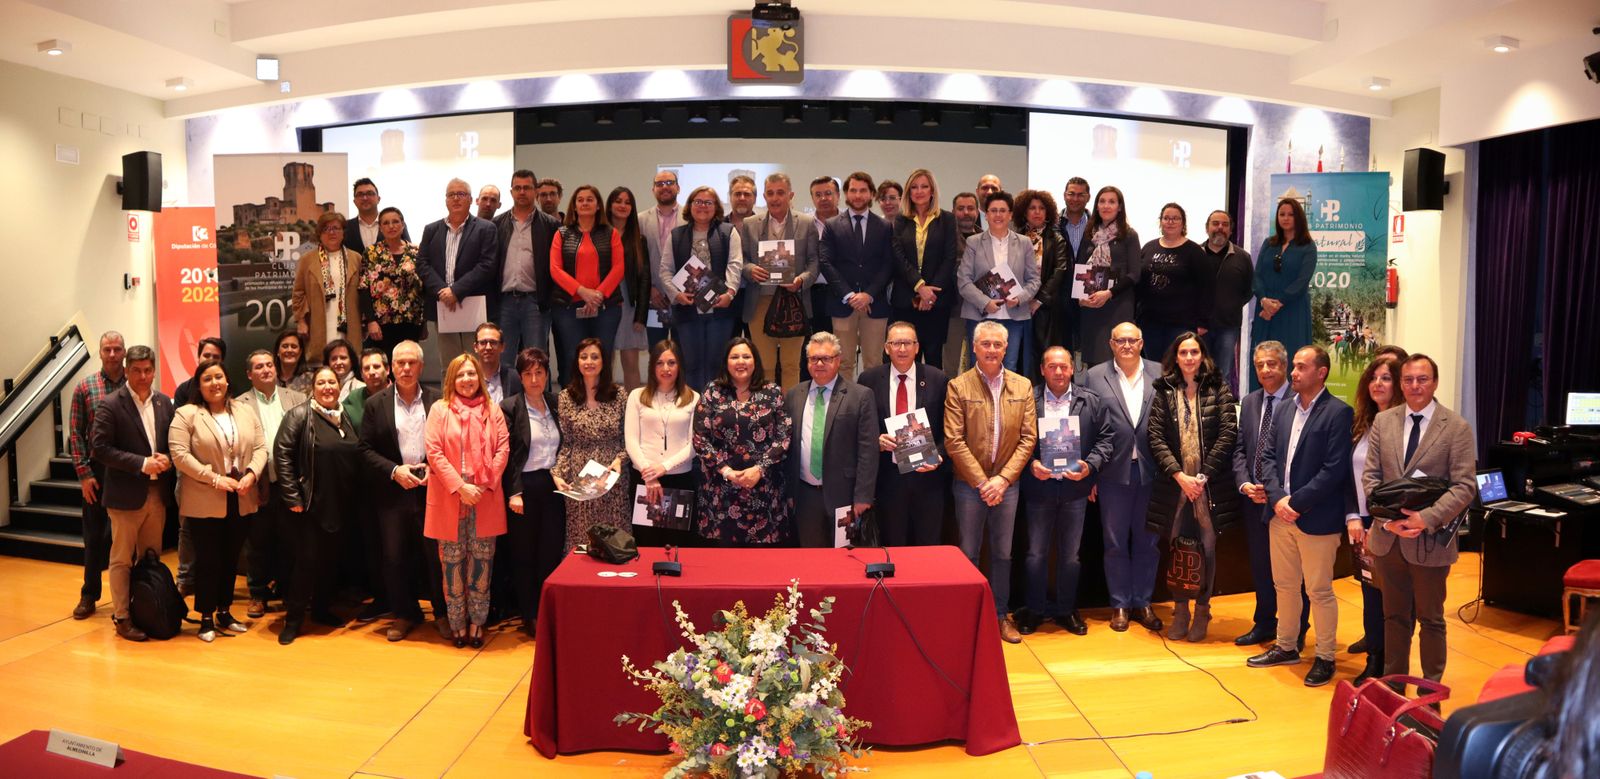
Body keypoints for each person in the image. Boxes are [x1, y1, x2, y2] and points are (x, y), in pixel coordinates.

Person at [1363, 354, 1477, 684]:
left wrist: (1425, 519)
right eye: (1409, 380)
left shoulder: (1455, 427)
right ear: (1402, 384)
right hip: (1388, 539)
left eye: (1422, 379)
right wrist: (1389, 521)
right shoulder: (1384, 423)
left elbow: (1465, 485)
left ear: (1435, 382)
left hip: (1430, 541)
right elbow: (1371, 478)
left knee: (1431, 620)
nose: (1415, 386)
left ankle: (1430, 695)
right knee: (1394, 618)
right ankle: (1393, 688)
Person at [1247, 346, 1354, 688]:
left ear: (1321, 373)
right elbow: (1267, 458)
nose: (1293, 373)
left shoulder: (1338, 413)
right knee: (1285, 586)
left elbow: (1334, 469)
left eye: (1300, 367)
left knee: (1319, 590)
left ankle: (1324, 656)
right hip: (1280, 516)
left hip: (1316, 519)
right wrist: (1278, 499)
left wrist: (1297, 502)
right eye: (1292, 366)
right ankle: (1286, 646)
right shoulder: (1283, 411)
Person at [1143, 333, 1241, 642]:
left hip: (1208, 486)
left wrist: (1203, 476)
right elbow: (1155, 436)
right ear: (1176, 357)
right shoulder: (1164, 389)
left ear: (1202, 356)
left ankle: (1202, 611)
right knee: (1178, 549)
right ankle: (1180, 611)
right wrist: (1179, 476)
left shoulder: (1218, 387)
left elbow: (1228, 432)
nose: (1188, 357)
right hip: (1176, 485)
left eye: (1194, 352)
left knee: (1207, 548)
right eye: (1183, 352)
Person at [945, 320, 1036, 644]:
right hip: (970, 486)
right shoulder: (959, 386)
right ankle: (967, 616)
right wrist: (984, 483)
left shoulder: (1023, 386)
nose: (992, 350)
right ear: (974, 346)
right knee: (968, 554)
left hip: (1007, 487)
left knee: (1002, 555)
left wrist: (1002, 480)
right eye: (986, 344)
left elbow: (1028, 438)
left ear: (1006, 348)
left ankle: (1000, 616)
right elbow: (953, 440)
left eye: (998, 345)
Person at [168, 358, 268, 642]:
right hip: (205, 497)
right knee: (208, 559)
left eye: (219, 377)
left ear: (228, 381)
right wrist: (214, 478)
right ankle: (206, 617)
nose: (215, 383)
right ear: (199, 386)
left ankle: (225, 611)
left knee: (230, 558)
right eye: (208, 379)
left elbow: (261, 448)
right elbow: (179, 455)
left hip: (242, 495)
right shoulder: (187, 414)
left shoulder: (245, 411)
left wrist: (251, 473)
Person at [1018, 345, 1114, 636]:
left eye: (1063, 366)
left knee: (1071, 555)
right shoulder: (1027, 400)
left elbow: (1106, 440)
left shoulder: (1091, 401)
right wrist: (1031, 463)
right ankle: (1034, 609)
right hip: (1039, 488)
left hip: (1075, 490)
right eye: (1052, 366)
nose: (1058, 372)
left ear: (1073, 369)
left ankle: (1065, 610)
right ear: (1042, 370)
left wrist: (1090, 466)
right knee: (1035, 553)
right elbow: (1015, 440)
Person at [358, 341, 448, 642]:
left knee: (435, 556)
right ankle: (405, 613)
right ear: (391, 368)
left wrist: (432, 469)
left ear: (421, 367)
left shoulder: (438, 401)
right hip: (393, 492)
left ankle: (442, 613)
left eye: (412, 363)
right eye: (400, 363)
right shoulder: (375, 404)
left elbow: (449, 443)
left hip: (431, 491)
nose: (406, 368)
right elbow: (365, 449)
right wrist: (395, 471)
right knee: (394, 557)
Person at [1081, 322, 1164, 632]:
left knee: (1148, 542)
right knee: (1114, 542)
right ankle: (1119, 604)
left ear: (1141, 343)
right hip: (1111, 473)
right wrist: (1089, 473)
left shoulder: (1160, 372)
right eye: (1120, 340)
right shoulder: (1093, 376)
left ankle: (1142, 602)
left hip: (1151, 471)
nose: (1126, 345)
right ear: (1111, 344)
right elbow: (1088, 425)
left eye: (1132, 340)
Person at [424, 353, 511, 649]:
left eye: (471, 374)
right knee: (452, 565)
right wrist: (461, 487)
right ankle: (457, 623)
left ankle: (477, 623)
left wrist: (482, 485)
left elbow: (503, 449)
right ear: (452, 379)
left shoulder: (493, 409)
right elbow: (433, 453)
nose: (466, 380)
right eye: (460, 375)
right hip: (451, 496)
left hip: (485, 496)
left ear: (480, 378)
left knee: (482, 565)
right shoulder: (440, 409)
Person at [88, 344, 175, 641]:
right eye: (136, 370)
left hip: (156, 494)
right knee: (122, 560)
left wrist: (167, 459)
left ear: (154, 371)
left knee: (150, 557)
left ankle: (147, 609)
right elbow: (99, 449)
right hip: (126, 497)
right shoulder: (111, 404)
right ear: (126, 371)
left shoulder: (165, 402)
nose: (142, 376)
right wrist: (141, 463)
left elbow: (172, 444)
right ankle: (122, 616)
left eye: (148, 370)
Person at [274, 366, 362, 645]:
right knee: (306, 563)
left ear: (339, 386)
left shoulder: (345, 416)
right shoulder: (300, 415)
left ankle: (322, 610)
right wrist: (292, 497)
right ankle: (293, 620)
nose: (327, 387)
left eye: (332, 382)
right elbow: (283, 455)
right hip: (310, 505)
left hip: (341, 504)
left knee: (330, 562)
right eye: (321, 383)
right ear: (312, 388)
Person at [1230, 341, 1307, 648]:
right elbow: (1239, 449)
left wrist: (1276, 492)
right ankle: (1264, 623)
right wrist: (1245, 483)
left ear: (1284, 366)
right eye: (1259, 364)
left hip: (1287, 502)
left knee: (1292, 573)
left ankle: (1297, 629)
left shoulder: (1300, 401)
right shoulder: (1249, 402)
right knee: (1261, 566)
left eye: (1271, 364)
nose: (1265, 370)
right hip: (1253, 499)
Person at [693, 337, 792, 546]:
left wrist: (760, 468)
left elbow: (784, 437)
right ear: (726, 362)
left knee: (763, 568)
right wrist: (726, 471)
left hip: (765, 490)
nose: (741, 361)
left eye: (746, 356)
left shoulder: (772, 392)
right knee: (722, 566)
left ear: (755, 361)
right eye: (734, 356)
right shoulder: (712, 392)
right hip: (721, 491)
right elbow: (700, 439)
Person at [859, 322, 949, 547]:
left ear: (917, 347)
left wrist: (938, 455)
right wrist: (876, 441)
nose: (902, 349)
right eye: (896, 343)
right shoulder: (868, 380)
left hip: (928, 478)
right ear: (886, 347)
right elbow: (860, 429)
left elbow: (951, 430)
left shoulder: (938, 379)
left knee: (928, 549)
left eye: (907, 343)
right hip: (888, 479)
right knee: (893, 547)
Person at [1346, 351, 1407, 684]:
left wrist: (1384, 522)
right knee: (1370, 592)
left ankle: (1390, 666)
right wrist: (1354, 516)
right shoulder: (1362, 422)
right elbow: (1348, 476)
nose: (1378, 384)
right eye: (1373, 377)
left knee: (1392, 599)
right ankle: (1375, 656)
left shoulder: (1406, 426)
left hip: (1394, 524)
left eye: (1386, 378)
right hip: (1363, 522)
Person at [785, 332, 877, 548]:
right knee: (811, 562)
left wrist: (863, 496)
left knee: (845, 562)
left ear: (838, 360)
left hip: (845, 497)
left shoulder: (860, 396)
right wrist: (789, 492)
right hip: (805, 495)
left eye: (826, 358)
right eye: (813, 358)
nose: (819, 363)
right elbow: (789, 448)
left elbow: (868, 452)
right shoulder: (794, 395)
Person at [238, 349, 306, 620]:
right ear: (249, 374)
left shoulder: (298, 398)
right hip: (257, 482)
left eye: (269, 365)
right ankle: (257, 594)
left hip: (290, 483)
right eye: (259, 367)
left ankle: (289, 592)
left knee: (291, 541)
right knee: (258, 542)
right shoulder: (239, 404)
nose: (266, 370)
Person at [501, 347, 564, 634]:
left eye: (539, 372)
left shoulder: (556, 403)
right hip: (523, 488)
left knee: (550, 551)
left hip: (553, 485)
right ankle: (529, 613)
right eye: (528, 374)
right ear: (520, 377)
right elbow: (508, 455)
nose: (534, 379)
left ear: (547, 374)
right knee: (524, 553)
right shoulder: (510, 406)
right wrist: (513, 492)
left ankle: (547, 609)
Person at [737, 172, 819, 392]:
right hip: (760, 301)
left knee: (792, 364)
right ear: (764, 196)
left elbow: (814, 261)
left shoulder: (807, 222)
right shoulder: (750, 224)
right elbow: (741, 260)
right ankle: (768, 414)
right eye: (770, 193)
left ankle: (790, 413)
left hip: (794, 302)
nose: (775, 198)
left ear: (790, 195)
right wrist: (750, 269)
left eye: (780, 193)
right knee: (765, 365)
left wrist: (802, 280)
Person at [819, 171, 900, 381]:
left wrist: (868, 294)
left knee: (874, 363)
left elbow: (888, 264)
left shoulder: (884, 226)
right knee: (843, 362)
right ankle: (845, 410)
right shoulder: (832, 225)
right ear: (846, 194)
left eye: (863, 190)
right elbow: (826, 262)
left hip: (875, 304)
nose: (857, 195)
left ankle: (872, 411)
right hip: (842, 304)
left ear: (871, 194)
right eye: (853, 190)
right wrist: (849, 295)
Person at [659, 186, 742, 390]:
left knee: (717, 364)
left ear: (716, 207)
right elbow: (665, 270)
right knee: (691, 364)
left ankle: (716, 409)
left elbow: (735, 264)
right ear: (690, 206)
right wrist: (676, 295)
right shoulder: (676, 235)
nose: (703, 206)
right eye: (698, 201)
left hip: (720, 309)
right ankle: (695, 409)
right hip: (687, 309)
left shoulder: (728, 232)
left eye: (708, 202)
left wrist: (730, 292)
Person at [69, 331, 127, 619]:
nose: (113, 354)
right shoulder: (85, 387)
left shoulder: (136, 383)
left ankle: (134, 595)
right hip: (97, 472)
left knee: (130, 537)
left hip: (129, 469)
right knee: (94, 537)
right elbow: (76, 435)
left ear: (125, 352)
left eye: (118, 349)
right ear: (100, 352)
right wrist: (84, 475)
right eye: (108, 349)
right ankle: (89, 594)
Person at [552, 338, 629, 551]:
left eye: (595, 357)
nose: (589, 362)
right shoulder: (566, 397)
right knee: (582, 540)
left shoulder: (619, 394)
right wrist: (558, 475)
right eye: (584, 357)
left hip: (611, 476)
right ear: (577, 361)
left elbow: (627, 438)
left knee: (614, 541)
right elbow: (566, 443)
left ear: (604, 362)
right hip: (580, 478)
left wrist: (619, 461)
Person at [418, 178, 500, 377]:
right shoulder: (432, 229)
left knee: (477, 363)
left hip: (473, 304)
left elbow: (487, 265)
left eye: (461, 194)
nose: (456, 198)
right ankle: (451, 406)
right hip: (444, 304)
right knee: (450, 365)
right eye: (451, 194)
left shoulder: (485, 228)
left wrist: (456, 290)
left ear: (471, 200)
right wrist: (443, 292)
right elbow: (422, 263)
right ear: (445, 200)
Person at [548, 185, 627, 388]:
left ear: (598, 205)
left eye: (590, 199)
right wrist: (582, 291)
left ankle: (603, 406)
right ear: (574, 206)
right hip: (568, 308)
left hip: (605, 307)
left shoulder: (611, 233)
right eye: (580, 199)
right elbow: (555, 269)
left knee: (602, 356)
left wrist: (598, 295)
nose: (584, 203)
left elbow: (619, 268)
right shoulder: (562, 234)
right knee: (572, 358)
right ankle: (572, 407)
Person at [624, 340, 699, 548]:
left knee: (678, 549)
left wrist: (663, 467)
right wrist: (649, 474)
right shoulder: (636, 396)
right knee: (647, 545)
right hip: (645, 482)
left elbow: (694, 444)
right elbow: (631, 440)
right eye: (660, 363)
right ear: (652, 366)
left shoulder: (694, 398)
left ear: (680, 366)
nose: (666, 368)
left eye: (672, 363)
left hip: (680, 480)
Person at [957, 191, 1039, 373]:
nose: (998, 215)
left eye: (1003, 210)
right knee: (979, 367)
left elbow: (1034, 279)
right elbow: (964, 280)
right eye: (993, 211)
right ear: (986, 215)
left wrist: (1019, 299)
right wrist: (985, 302)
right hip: (980, 316)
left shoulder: (1024, 242)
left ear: (1010, 214)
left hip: (1014, 316)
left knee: (1009, 367)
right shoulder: (973, 242)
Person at [890, 169, 958, 371]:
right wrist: (920, 286)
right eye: (914, 187)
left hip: (937, 300)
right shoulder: (901, 220)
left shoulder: (946, 219)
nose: (919, 191)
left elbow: (949, 258)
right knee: (907, 358)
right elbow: (898, 256)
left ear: (932, 191)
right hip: (906, 299)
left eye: (924, 186)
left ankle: (934, 403)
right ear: (908, 192)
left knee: (934, 356)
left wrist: (930, 293)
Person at [493, 170, 561, 364]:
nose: (522, 192)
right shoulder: (497, 224)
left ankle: (537, 396)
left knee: (536, 358)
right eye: (518, 188)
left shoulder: (551, 225)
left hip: (535, 302)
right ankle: (506, 395)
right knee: (503, 359)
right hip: (504, 302)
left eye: (527, 188)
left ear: (536, 191)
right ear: (511, 191)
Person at [343, 347, 391, 623]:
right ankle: (381, 599)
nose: (372, 372)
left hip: (400, 481)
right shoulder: (353, 400)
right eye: (367, 368)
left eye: (377, 367)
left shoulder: (401, 394)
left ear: (387, 369)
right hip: (366, 485)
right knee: (373, 545)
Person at [1076, 186, 1141, 366]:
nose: (1106, 206)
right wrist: (1081, 298)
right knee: (1094, 359)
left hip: (1117, 305)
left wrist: (1109, 293)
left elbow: (1134, 274)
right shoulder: (1090, 234)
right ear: (1096, 206)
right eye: (1102, 201)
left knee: (1116, 358)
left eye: (1112, 202)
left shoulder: (1129, 235)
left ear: (1120, 207)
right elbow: (1081, 268)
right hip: (1092, 304)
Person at [1136, 203, 1210, 360]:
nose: (1170, 222)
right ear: (1160, 221)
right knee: (1152, 367)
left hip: (1181, 323)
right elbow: (1139, 283)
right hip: (1150, 322)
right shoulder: (1149, 247)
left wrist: (1202, 322)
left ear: (1183, 223)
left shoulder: (1194, 251)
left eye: (1175, 218)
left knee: (1177, 368)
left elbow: (1207, 288)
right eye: (1166, 218)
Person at [1252, 198, 1318, 371]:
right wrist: (1264, 300)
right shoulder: (1269, 243)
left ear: (1299, 218)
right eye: (1282, 214)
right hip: (1265, 311)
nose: (1286, 218)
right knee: (1264, 360)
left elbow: (1302, 281)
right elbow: (1257, 275)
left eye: (1291, 214)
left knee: (1289, 361)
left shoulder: (1308, 246)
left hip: (1292, 311)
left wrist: (1277, 304)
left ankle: (1290, 399)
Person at [292, 211, 365, 356]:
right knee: (321, 362)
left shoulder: (356, 258)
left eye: (336, 228)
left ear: (343, 232)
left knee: (348, 359)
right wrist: (301, 321)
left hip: (349, 323)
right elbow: (298, 293)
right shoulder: (307, 260)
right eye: (326, 229)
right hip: (318, 322)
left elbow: (364, 292)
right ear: (319, 233)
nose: (331, 232)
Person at [1015, 189, 1072, 371]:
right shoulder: (1014, 237)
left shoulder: (1056, 239)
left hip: (1046, 308)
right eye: (1032, 208)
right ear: (1024, 212)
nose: (1037, 212)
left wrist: (1038, 300)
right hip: (1017, 304)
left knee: (1042, 356)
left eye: (1041, 208)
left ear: (1048, 212)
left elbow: (1059, 271)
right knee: (1018, 356)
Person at [1200, 210, 1253, 395]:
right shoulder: (1194, 254)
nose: (1220, 228)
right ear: (1207, 228)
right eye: (1215, 223)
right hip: (1198, 327)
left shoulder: (1242, 257)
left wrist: (1230, 306)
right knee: (1197, 374)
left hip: (1228, 327)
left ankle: (1221, 418)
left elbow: (1248, 290)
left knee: (1223, 375)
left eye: (1224, 224)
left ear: (1231, 230)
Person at [360, 206, 426, 351]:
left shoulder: (416, 252)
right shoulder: (371, 253)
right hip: (381, 324)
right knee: (384, 367)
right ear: (380, 228)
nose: (391, 226)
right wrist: (371, 321)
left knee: (407, 363)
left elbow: (423, 288)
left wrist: (424, 322)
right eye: (386, 223)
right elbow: (363, 288)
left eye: (395, 222)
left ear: (402, 225)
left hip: (410, 322)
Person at [608, 186, 650, 390]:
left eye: (627, 202)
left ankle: (633, 412)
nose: (622, 205)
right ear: (609, 205)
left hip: (630, 304)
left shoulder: (638, 239)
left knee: (631, 364)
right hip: (605, 303)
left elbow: (644, 278)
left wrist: (641, 315)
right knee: (604, 363)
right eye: (618, 201)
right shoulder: (599, 234)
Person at [641, 170, 685, 348]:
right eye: (660, 184)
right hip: (654, 299)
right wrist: (649, 288)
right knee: (656, 352)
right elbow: (637, 260)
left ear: (678, 187)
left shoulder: (690, 218)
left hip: (683, 298)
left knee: (683, 352)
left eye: (669, 182)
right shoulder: (640, 220)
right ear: (653, 190)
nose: (664, 187)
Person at [944, 192, 982, 372]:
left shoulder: (987, 237)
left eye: (970, 208)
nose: (966, 212)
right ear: (953, 211)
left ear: (977, 211)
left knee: (979, 361)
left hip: (981, 311)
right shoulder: (945, 238)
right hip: (953, 309)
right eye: (961, 208)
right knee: (951, 363)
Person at [346, 178, 409, 256]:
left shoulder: (395, 223)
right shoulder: (346, 227)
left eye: (369, 193)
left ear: (378, 199)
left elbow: (408, 253)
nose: (365, 198)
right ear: (354, 201)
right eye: (360, 194)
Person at [171, 337, 226, 407]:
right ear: (198, 357)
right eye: (206, 356)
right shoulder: (183, 390)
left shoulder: (228, 389)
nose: (210, 360)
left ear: (222, 361)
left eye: (216, 357)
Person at [472, 322, 517, 403]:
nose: (488, 347)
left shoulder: (514, 378)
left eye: (493, 342)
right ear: (475, 347)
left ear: (502, 347)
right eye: (483, 342)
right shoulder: (466, 378)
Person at [274, 330, 314, 399]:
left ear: (300, 352)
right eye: (285, 346)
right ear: (278, 351)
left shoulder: (311, 379)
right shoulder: (269, 379)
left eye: (294, 346)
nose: (289, 350)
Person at [1056, 177, 1091, 257]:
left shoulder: (1097, 227)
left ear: (1088, 198)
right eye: (1071, 194)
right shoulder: (1053, 226)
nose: (1075, 199)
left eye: (1081, 195)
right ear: (1064, 196)